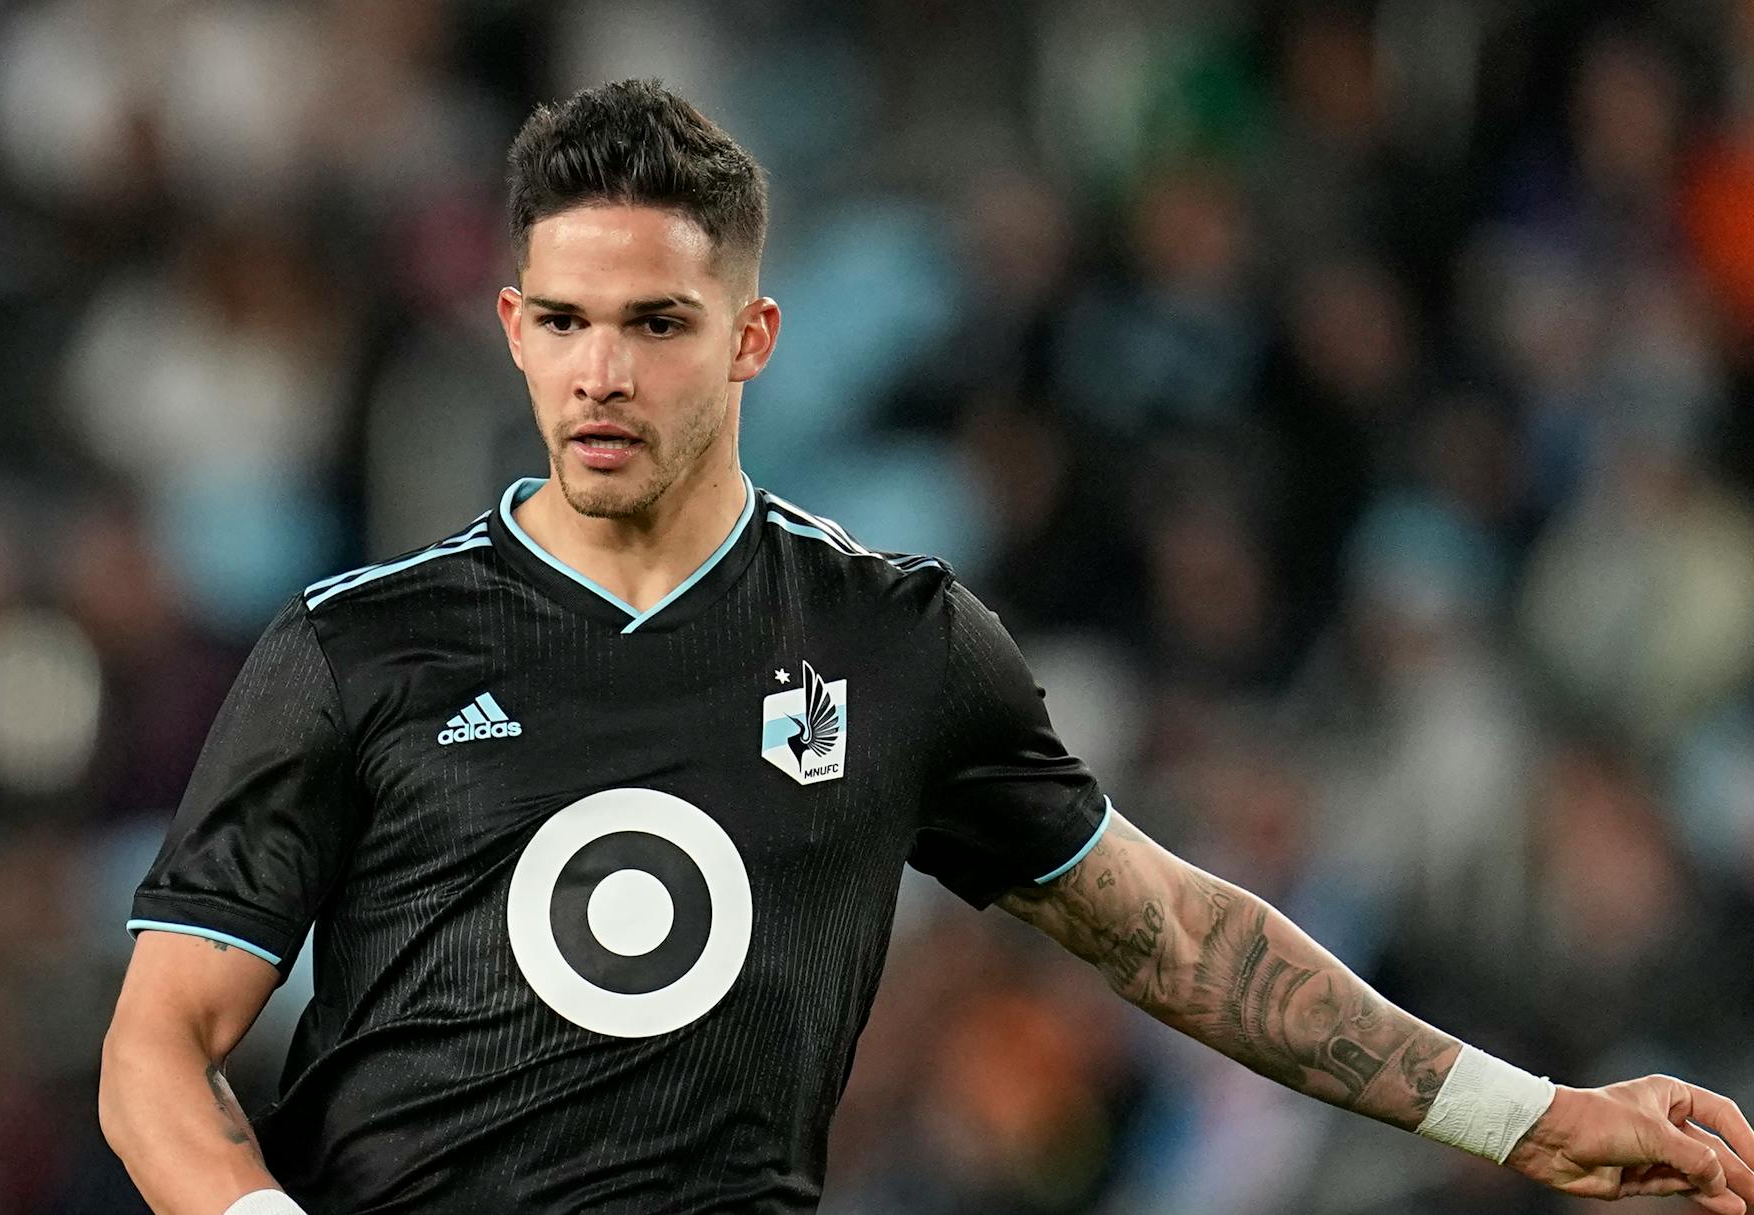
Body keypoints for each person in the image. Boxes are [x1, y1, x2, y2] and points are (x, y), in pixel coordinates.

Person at [97, 79, 1754, 1215]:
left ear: (749, 337)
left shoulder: (892, 641)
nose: (603, 371)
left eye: (658, 323)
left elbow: (1169, 933)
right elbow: (159, 1045)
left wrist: (1527, 1117)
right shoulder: (355, 647)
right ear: (515, 327)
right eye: (568, 320)